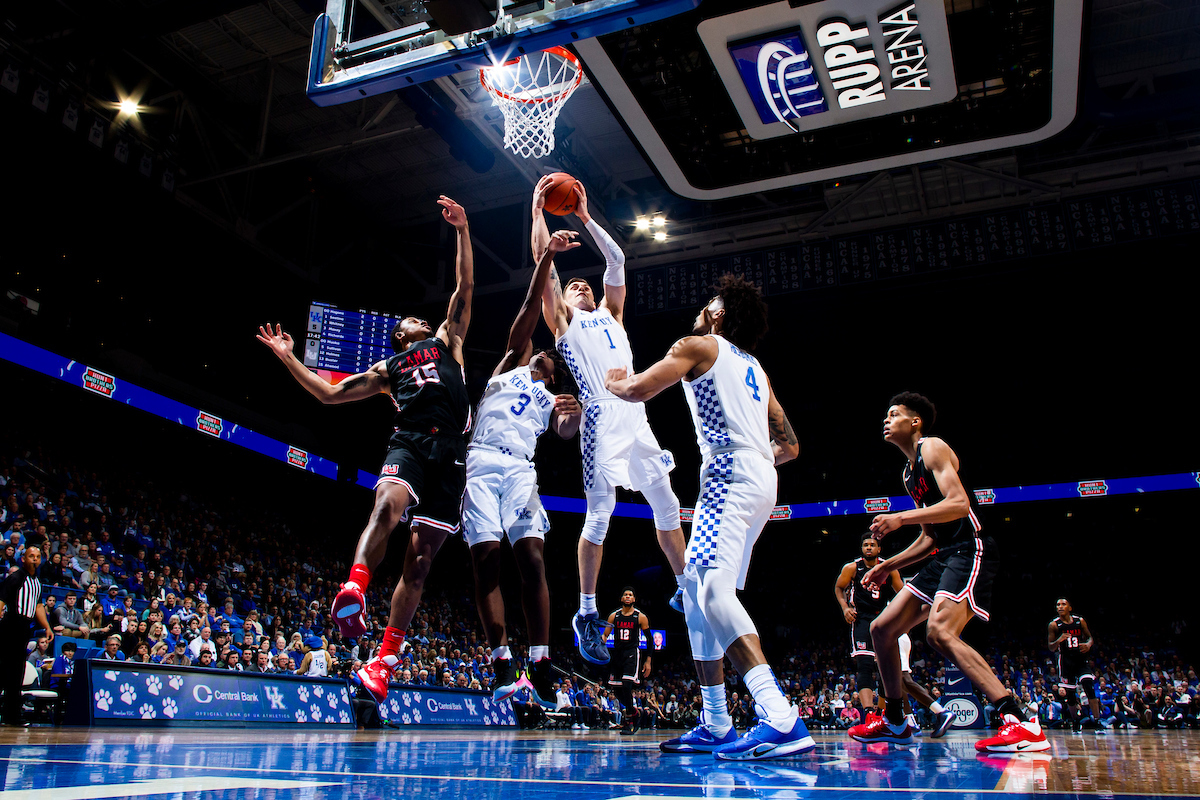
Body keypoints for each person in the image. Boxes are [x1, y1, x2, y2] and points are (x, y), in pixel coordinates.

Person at [259, 196, 474, 702]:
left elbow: (464, 287)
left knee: (419, 565)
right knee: (384, 504)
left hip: (454, 455)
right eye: (411, 322)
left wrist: (463, 230)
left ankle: (384, 663)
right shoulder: (386, 370)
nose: (420, 321)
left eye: (422, 319)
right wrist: (289, 358)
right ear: (401, 336)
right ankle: (355, 585)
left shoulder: (449, 343)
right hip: (412, 443)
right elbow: (329, 394)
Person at [605, 274, 812, 761]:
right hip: (762, 477)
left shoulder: (699, 344)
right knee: (698, 593)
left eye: (709, 303)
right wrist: (754, 462)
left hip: (728, 473)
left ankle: (779, 716)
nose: (701, 308)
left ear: (719, 315)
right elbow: (791, 447)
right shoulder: (757, 370)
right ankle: (716, 722)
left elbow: (636, 390)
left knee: (713, 592)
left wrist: (611, 380)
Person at [532, 177, 686, 665]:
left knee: (668, 498)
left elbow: (617, 261)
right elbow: (547, 276)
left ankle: (685, 586)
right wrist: (539, 216)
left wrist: (584, 217)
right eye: (573, 285)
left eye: (584, 282)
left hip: (635, 413)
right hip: (599, 414)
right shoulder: (564, 322)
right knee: (601, 513)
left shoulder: (613, 313)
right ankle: (586, 612)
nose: (579, 284)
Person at [849, 392, 1048, 753]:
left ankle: (1019, 721)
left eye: (894, 414)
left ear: (915, 422)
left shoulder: (932, 447)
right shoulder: (909, 474)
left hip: (971, 548)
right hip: (943, 555)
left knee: (939, 632)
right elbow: (929, 537)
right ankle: (896, 722)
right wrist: (888, 566)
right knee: (881, 629)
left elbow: (958, 505)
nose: (886, 419)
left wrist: (899, 518)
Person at [462, 229, 582, 708]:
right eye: (544, 351)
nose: (546, 355)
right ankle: (500, 658)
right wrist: (547, 258)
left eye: (554, 358)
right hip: (482, 464)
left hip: (519, 472)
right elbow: (533, 302)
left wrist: (571, 421)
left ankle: (541, 660)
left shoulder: (555, 398)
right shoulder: (510, 364)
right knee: (486, 563)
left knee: (533, 561)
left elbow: (564, 434)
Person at [834, 532, 902, 715]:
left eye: (872, 545)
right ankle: (868, 713)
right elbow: (839, 588)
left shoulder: (889, 568)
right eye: (866, 545)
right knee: (864, 666)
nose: (869, 548)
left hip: (882, 619)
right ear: (862, 548)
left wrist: (897, 615)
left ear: (879, 549)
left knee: (884, 669)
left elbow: (902, 593)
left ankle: (882, 711)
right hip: (862, 619)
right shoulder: (852, 568)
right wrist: (845, 608)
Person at [0, 546, 53, 726]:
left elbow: (38, 606)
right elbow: (1, 601)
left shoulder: (37, 582)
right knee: (5, 670)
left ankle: (11, 716)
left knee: (17, 672)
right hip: (10, 625)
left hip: (24, 628)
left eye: (38, 557)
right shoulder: (15, 578)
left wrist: (47, 626)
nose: (35, 559)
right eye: (31, 556)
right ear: (23, 558)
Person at [1048, 597, 1102, 731]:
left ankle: (1097, 721)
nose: (1060, 607)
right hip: (1065, 661)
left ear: (1070, 608)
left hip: (1080, 659)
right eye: (1058, 605)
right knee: (1070, 695)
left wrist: (1088, 644)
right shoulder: (1054, 625)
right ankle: (1075, 721)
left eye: (1063, 604)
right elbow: (1050, 647)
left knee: (1089, 686)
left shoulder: (1079, 621)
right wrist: (1059, 640)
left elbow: (1089, 637)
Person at [603, 586, 651, 735]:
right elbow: (605, 635)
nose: (628, 596)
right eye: (625, 594)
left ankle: (630, 720)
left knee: (626, 686)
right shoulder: (614, 616)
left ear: (634, 599)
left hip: (631, 653)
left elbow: (649, 639)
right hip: (617, 653)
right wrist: (598, 647)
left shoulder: (640, 617)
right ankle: (634, 713)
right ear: (621, 598)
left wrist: (648, 661)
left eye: (631, 594)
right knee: (617, 690)